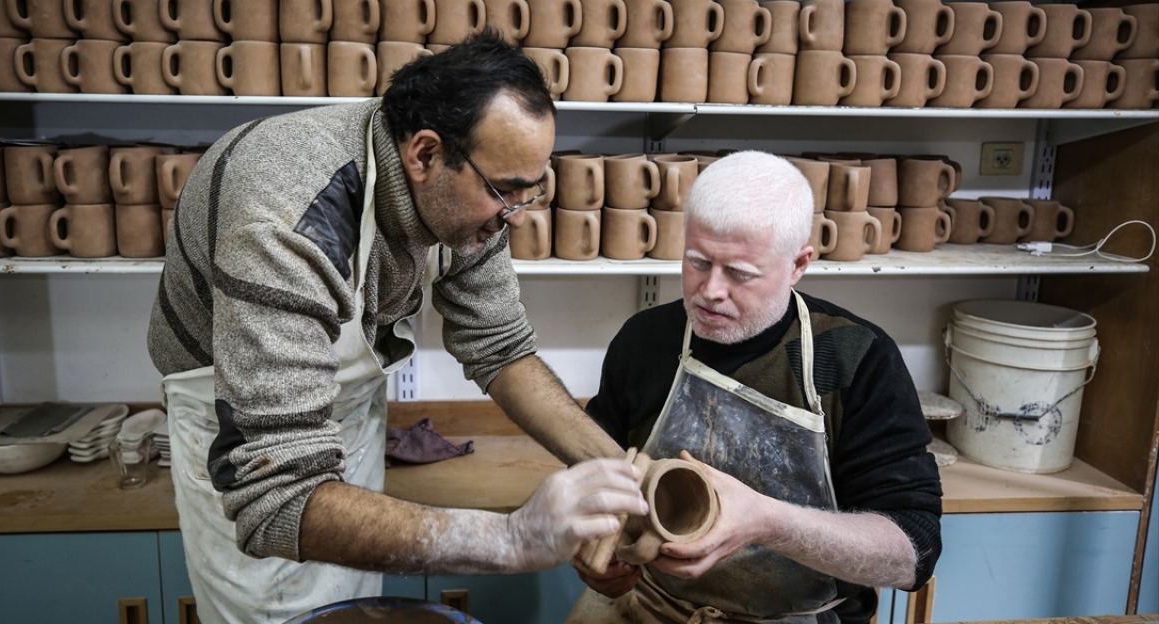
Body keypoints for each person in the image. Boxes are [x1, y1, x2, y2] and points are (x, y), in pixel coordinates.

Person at [146, 32, 645, 624]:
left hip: (348, 414)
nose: (512, 216)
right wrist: (514, 539)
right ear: (425, 154)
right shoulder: (289, 215)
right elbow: (276, 503)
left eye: (527, 194)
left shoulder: (467, 201)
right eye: (503, 193)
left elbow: (499, 346)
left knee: (356, 608)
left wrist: (623, 478)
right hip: (245, 438)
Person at [568, 151, 943, 624]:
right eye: (697, 262)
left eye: (741, 274)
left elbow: (915, 550)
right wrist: (588, 544)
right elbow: (594, 475)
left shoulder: (854, 358)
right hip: (649, 605)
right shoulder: (645, 341)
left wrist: (767, 523)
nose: (710, 290)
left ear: (798, 265)